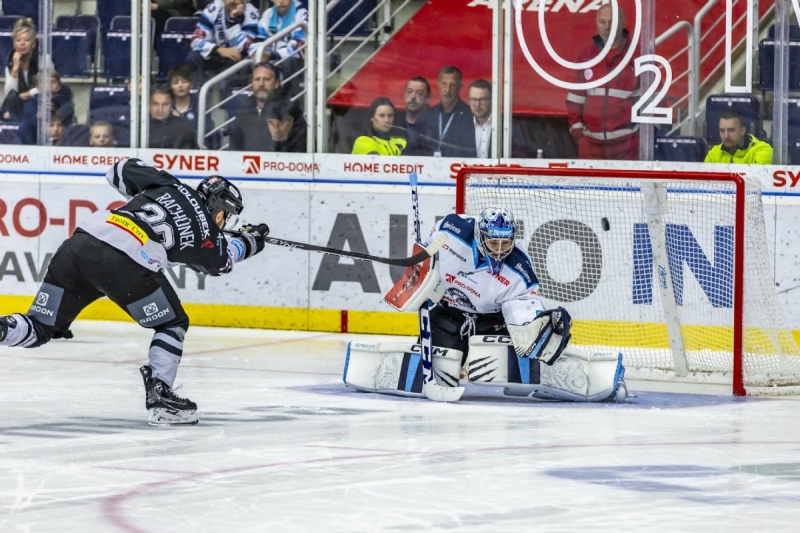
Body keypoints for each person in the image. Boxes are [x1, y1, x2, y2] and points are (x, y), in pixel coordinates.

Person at [0, 158, 270, 426]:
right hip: (126, 263)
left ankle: (3, 329)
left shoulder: (170, 185)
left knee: (39, 327)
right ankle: (161, 396)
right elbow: (222, 263)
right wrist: (250, 241)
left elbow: (117, 170)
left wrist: (148, 198)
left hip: (80, 245)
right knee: (172, 323)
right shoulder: (206, 234)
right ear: (220, 213)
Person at [421, 207, 543, 361]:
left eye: (505, 243)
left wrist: (537, 327)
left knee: (498, 373)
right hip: (448, 315)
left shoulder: (521, 269)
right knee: (435, 370)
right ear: (480, 236)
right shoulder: (449, 230)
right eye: (493, 242)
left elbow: (525, 309)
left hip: (492, 325)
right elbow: (426, 259)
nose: (499, 250)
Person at [566, 3, 640, 160]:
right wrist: (579, 134)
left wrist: (641, 138)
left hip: (628, 147)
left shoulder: (638, 55)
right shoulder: (586, 56)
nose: (607, 27)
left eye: (612, 22)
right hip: (590, 147)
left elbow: (654, 98)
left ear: (623, 22)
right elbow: (575, 99)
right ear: (596, 23)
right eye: (602, 22)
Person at [405, 66, 475, 158]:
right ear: (438, 86)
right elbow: (412, 152)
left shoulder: (470, 117)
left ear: (460, 87)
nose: (447, 90)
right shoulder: (425, 117)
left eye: (453, 85)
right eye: (444, 84)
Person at [187, 0, 260, 84]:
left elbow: (243, 47)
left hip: (237, 58)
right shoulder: (214, 8)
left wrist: (232, 20)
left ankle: (227, 90)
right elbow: (195, 40)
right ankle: (198, 90)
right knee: (193, 57)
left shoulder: (251, 13)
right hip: (217, 54)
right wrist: (219, 50)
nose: (231, 1)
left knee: (232, 65)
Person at [2, 18, 53, 123]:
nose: (22, 43)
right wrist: (15, 67)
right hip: (20, 107)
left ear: (33, 43)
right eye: (18, 40)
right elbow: (9, 94)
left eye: (27, 40)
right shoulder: (10, 62)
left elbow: (46, 88)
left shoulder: (44, 59)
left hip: (40, 104)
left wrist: (23, 95)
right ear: (14, 44)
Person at [256, 0, 307, 83]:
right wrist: (256, 52)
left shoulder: (301, 13)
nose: (282, 1)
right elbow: (259, 40)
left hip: (296, 60)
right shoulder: (267, 14)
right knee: (249, 61)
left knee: (287, 62)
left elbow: (301, 46)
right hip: (271, 56)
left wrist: (275, 54)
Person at [19, 70, 74, 145]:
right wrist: (39, 116)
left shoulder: (65, 100)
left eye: (53, 82)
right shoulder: (32, 102)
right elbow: (28, 125)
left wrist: (57, 114)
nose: (48, 85)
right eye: (44, 82)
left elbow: (69, 117)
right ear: (37, 87)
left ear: (58, 85)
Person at [704, 110, 773, 164]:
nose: (726, 136)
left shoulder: (762, 150)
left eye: (731, 130)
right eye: (722, 130)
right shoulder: (714, 153)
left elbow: (759, 177)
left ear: (742, 131)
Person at [148, 85, 199, 149]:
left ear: (171, 104)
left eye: (165, 104)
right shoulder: (140, 127)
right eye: (155, 104)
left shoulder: (185, 128)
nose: (160, 109)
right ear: (148, 104)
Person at [395, 76, 430, 143]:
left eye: (419, 93)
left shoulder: (435, 125)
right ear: (404, 94)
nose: (413, 96)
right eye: (409, 91)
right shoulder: (394, 121)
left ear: (427, 98)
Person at [468, 79, 492, 158]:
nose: (477, 105)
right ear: (469, 101)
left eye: (482, 100)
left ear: (492, 100)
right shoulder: (460, 127)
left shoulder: (507, 126)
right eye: (474, 100)